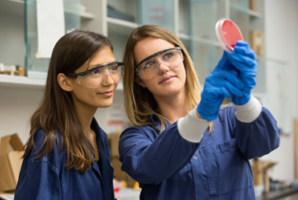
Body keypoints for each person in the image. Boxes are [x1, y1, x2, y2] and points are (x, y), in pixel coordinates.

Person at [118, 24, 280, 200]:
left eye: (168, 55)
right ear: (139, 79)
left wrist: (245, 100)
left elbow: (265, 145)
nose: (163, 68)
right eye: (148, 63)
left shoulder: (230, 118)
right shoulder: (136, 138)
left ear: (183, 59)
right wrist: (201, 115)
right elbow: (149, 169)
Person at [14, 30, 123, 200]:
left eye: (113, 68)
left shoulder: (98, 136)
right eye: (95, 71)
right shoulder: (48, 143)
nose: (110, 80)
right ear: (65, 82)